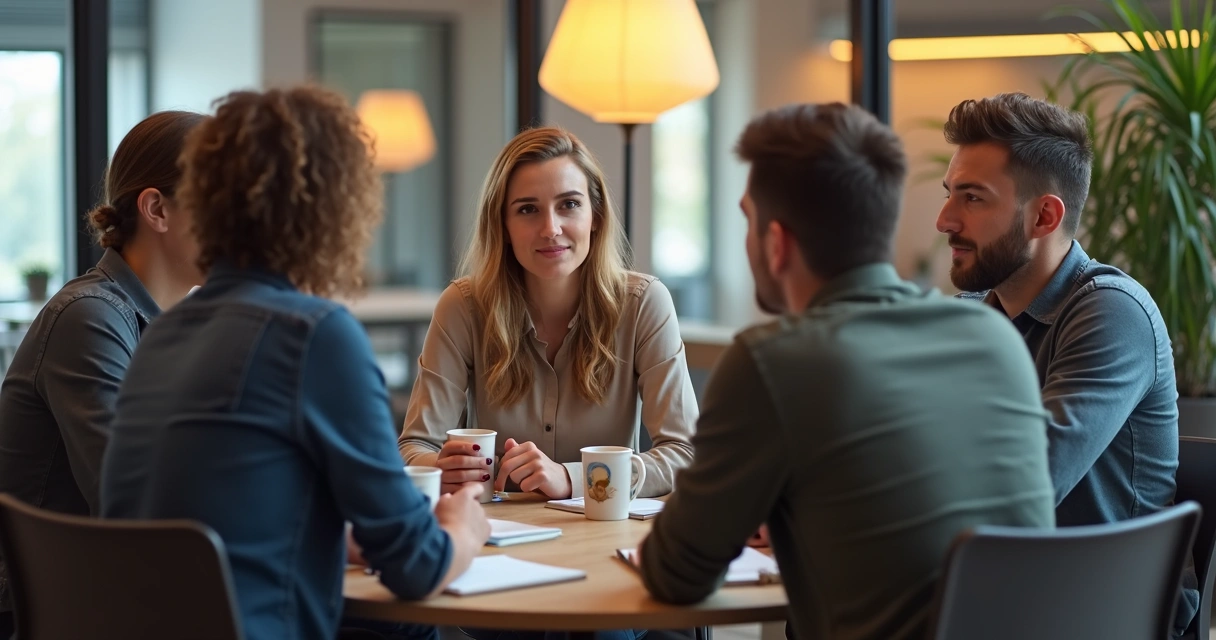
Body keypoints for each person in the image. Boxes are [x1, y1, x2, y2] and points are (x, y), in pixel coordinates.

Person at [637, 102, 1056, 640]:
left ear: (776, 242)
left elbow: (676, 576)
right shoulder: (995, 338)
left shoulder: (773, 361)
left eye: (748, 218)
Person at [100, 86, 489, 640]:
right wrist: (462, 530)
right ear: (337, 209)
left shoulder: (163, 335)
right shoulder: (316, 335)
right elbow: (416, 566)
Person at [936, 91, 1194, 634]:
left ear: (1044, 215)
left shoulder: (1110, 311)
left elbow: (1027, 482)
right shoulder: (969, 318)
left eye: (973, 198)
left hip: (1103, 613)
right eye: (949, 195)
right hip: (1003, 593)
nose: (944, 220)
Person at [399, 126, 697, 501]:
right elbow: (414, 447)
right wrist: (440, 468)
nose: (550, 229)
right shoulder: (462, 306)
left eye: (569, 205)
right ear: (503, 226)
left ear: (596, 215)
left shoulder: (644, 304)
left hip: (601, 538)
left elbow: (687, 454)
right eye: (527, 209)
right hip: (495, 538)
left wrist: (573, 478)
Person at [0, 110, 205, 638]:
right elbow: (135, 500)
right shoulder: (89, 316)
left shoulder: (169, 324)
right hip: (52, 610)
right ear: (157, 208)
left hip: (116, 592)